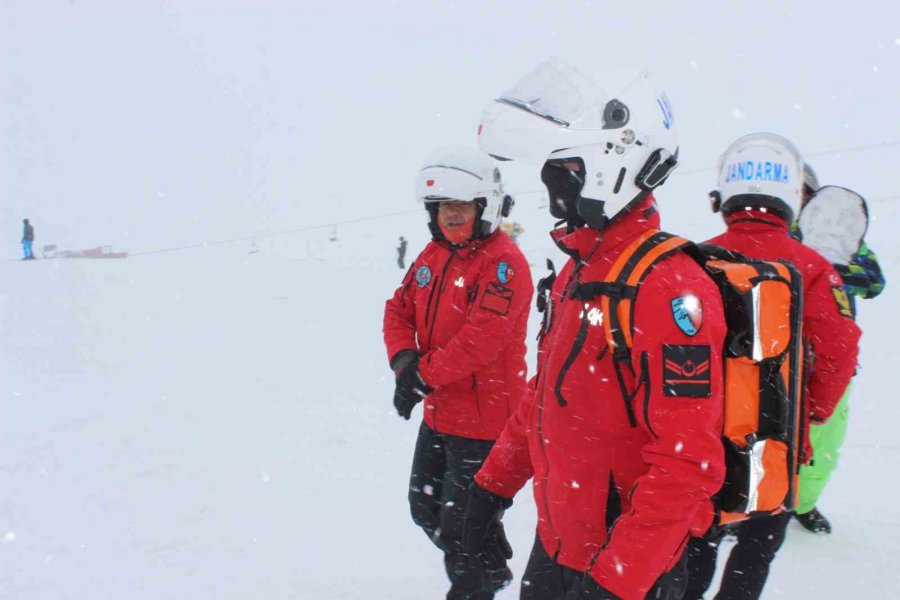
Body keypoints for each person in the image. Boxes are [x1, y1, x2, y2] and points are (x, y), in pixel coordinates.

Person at [464, 59, 727, 600]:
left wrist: (617, 581)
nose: (548, 184)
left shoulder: (668, 286)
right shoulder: (579, 270)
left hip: (626, 567)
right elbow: (543, 400)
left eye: (561, 168)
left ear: (611, 165)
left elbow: (687, 463)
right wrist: (490, 489)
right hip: (559, 547)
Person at [683, 134, 862, 600]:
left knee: (694, 543)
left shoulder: (692, 259)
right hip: (776, 445)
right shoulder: (816, 268)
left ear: (724, 194)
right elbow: (840, 350)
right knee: (756, 549)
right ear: (791, 197)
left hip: (701, 442)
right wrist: (810, 413)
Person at [383, 145, 533, 600]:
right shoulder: (432, 256)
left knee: (461, 527)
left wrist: (420, 377)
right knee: (425, 506)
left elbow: (480, 342)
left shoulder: (503, 266)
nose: (451, 216)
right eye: (443, 207)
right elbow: (398, 311)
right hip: (440, 413)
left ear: (483, 207)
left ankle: (475, 585)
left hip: (486, 422)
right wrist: (405, 364)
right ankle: (490, 563)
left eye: (461, 206)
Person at [791, 181, 886, 534]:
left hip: (834, 359)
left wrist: (831, 270)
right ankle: (752, 506)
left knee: (823, 443)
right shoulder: (782, 237)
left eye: (804, 192)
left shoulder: (847, 243)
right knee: (762, 432)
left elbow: (875, 282)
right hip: (782, 354)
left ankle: (803, 503)